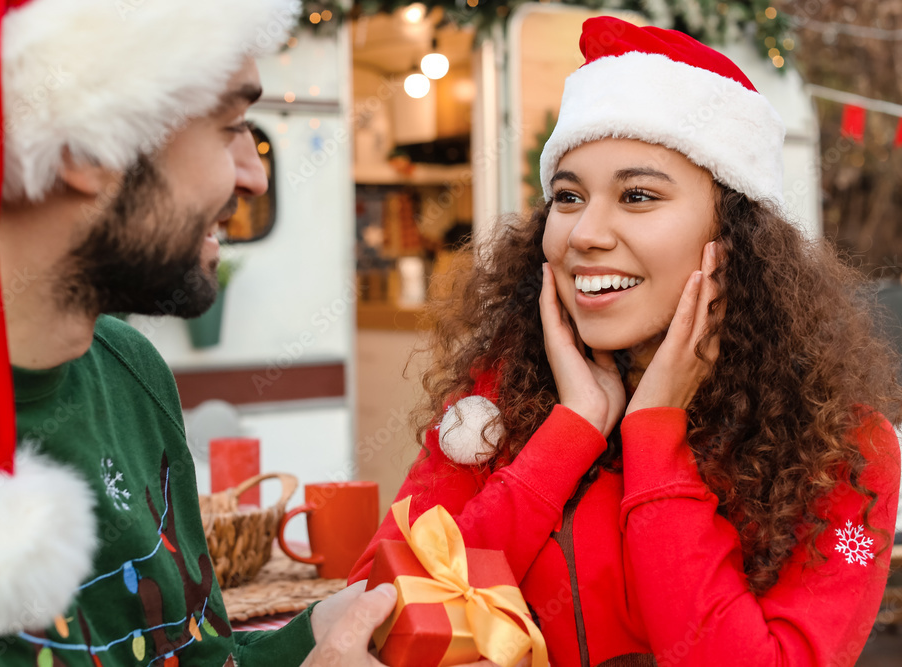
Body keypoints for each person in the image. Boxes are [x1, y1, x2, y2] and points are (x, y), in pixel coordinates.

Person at [0, 2, 503, 666]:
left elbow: (192, 654)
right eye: (230, 127)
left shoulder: (130, 368)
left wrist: (318, 631)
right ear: (82, 145)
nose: (255, 175)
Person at [349, 16, 902, 667]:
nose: (585, 231)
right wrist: (568, 432)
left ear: (737, 239)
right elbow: (372, 611)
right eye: (567, 196)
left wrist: (654, 438)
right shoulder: (497, 396)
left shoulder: (840, 446)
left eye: (637, 195)